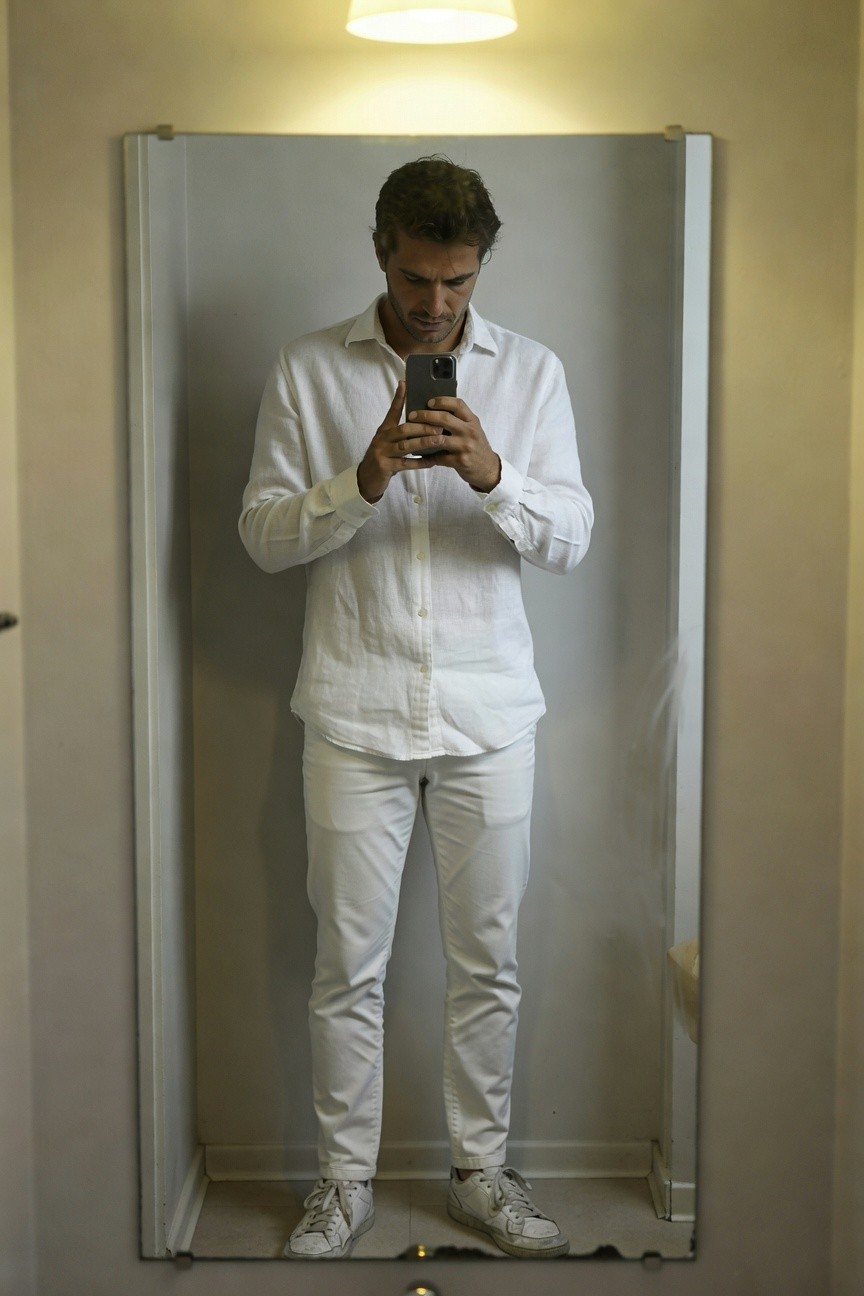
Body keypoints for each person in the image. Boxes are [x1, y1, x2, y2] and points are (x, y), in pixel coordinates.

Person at [238, 156, 593, 1260]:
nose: (434, 304)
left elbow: (574, 539)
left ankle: (479, 1174)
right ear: (379, 250)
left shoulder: (532, 373)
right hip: (352, 715)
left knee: (489, 963)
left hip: (492, 720)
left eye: (457, 282)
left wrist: (494, 474)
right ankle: (342, 1186)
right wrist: (363, 482)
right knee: (349, 966)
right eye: (413, 277)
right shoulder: (306, 371)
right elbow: (260, 536)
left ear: (481, 266)